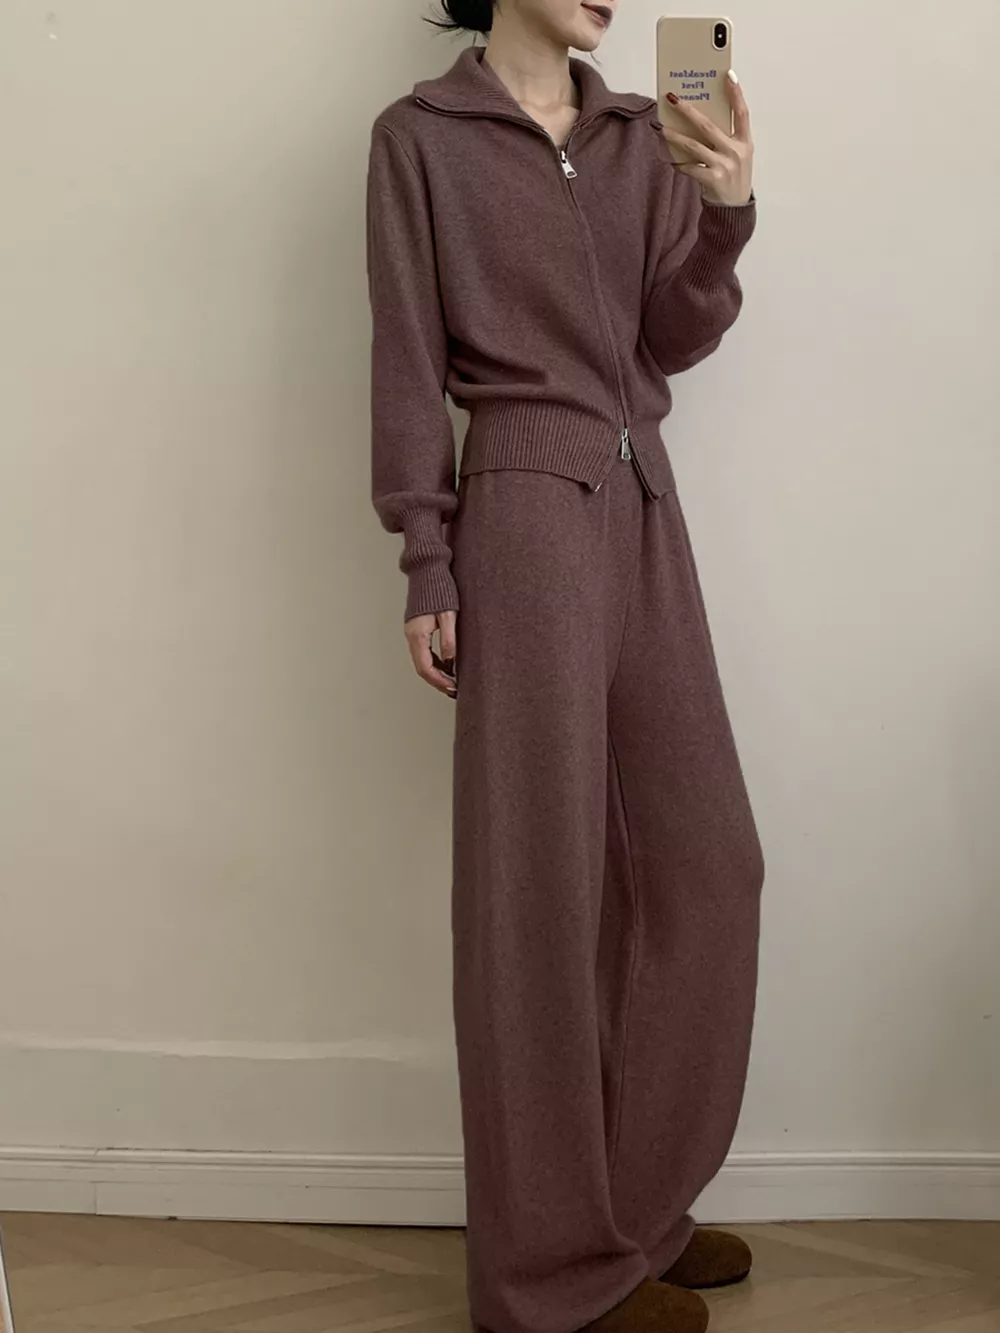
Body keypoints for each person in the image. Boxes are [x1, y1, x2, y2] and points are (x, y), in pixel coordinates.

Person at [365, 1, 764, 1330]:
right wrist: (427, 560)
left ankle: (628, 1221)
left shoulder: (642, 133)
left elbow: (675, 334)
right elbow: (407, 356)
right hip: (523, 512)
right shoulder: (420, 137)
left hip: (644, 502)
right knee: (537, 893)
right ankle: (544, 1280)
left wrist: (725, 211)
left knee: (708, 864)